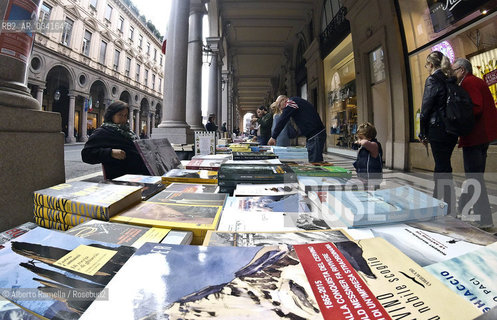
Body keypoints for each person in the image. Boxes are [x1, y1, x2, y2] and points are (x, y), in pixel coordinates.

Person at [452, 57, 497, 229]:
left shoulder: (469, 83)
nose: (452, 72)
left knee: (474, 178)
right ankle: (464, 210)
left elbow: (476, 107)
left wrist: (457, 117)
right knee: (474, 177)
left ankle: (484, 219)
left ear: (462, 70)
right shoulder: (475, 82)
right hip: (481, 136)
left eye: (454, 69)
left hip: (475, 137)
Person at [419, 51, 458, 216]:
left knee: (442, 167)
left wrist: (422, 133)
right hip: (451, 130)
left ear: (432, 65)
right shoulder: (450, 80)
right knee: (443, 166)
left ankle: (444, 207)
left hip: (437, 129)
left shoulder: (433, 79)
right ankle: (440, 202)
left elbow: (425, 109)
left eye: (427, 65)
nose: (426, 68)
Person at [81, 100, 149, 180]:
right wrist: (110, 153)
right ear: (111, 115)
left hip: (139, 176)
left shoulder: (127, 131)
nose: (123, 118)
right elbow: (86, 154)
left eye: (125, 115)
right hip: (121, 179)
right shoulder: (102, 132)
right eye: (120, 115)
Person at [268, 95, 326, 162]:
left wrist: (273, 137)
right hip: (313, 135)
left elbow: (283, 120)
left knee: (315, 160)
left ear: (284, 100)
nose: (280, 109)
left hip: (315, 134)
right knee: (314, 159)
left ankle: (318, 172)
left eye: (279, 105)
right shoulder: (295, 102)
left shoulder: (291, 102)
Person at [352, 122, 383, 188]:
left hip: (373, 178)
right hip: (364, 177)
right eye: (358, 137)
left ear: (369, 137)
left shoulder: (374, 145)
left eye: (361, 137)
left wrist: (360, 141)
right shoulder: (364, 146)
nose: (359, 139)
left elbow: (364, 143)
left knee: (372, 195)